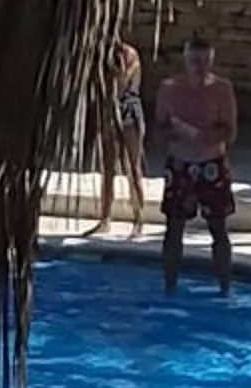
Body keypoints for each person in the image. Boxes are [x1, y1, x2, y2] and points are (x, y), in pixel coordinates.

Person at [149, 35, 238, 294]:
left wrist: (204, 137)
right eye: (195, 61)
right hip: (180, 165)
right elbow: (159, 130)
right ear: (186, 60)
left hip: (212, 164)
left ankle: (225, 288)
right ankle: (170, 287)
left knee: (218, 228)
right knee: (174, 228)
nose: (200, 67)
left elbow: (230, 131)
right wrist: (179, 133)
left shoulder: (222, 89)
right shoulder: (169, 89)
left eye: (205, 61)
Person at [86, 40, 148, 238]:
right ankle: (105, 218)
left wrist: (112, 70)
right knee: (108, 168)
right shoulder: (101, 55)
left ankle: (138, 219)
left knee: (133, 166)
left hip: (129, 110)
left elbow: (122, 81)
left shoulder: (130, 54)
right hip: (110, 110)